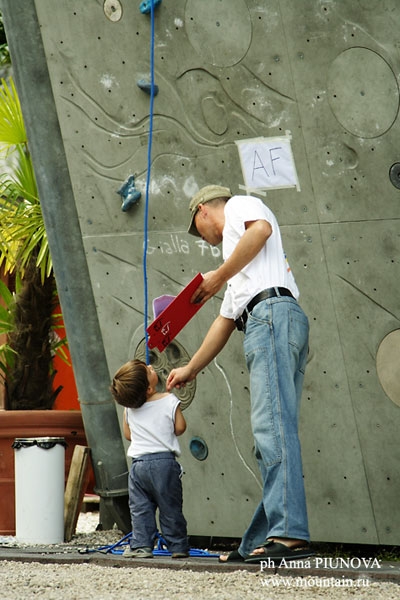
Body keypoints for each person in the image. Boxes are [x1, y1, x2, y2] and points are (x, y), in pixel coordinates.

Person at [166, 185, 313, 564]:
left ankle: (290, 535)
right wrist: (189, 369)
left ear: (203, 212)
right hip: (273, 317)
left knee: (272, 429)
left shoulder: (238, 208)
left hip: (271, 317)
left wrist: (218, 275)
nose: (206, 240)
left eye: (200, 232)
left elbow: (260, 229)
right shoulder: (239, 266)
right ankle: (260, 541)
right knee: (272, 435)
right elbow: (224, 321)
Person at [111, 359, 189, 559]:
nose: (152, 367)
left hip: (138, 466)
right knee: (170, 507)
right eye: (148, 371)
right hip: (164, 464)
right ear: (148, 389)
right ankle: (178, 546)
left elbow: (129, 435)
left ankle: (142, 546)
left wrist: (127, 412)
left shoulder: (129, 409)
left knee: (140, 508)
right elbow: (180, 428)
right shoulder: (169, 400)